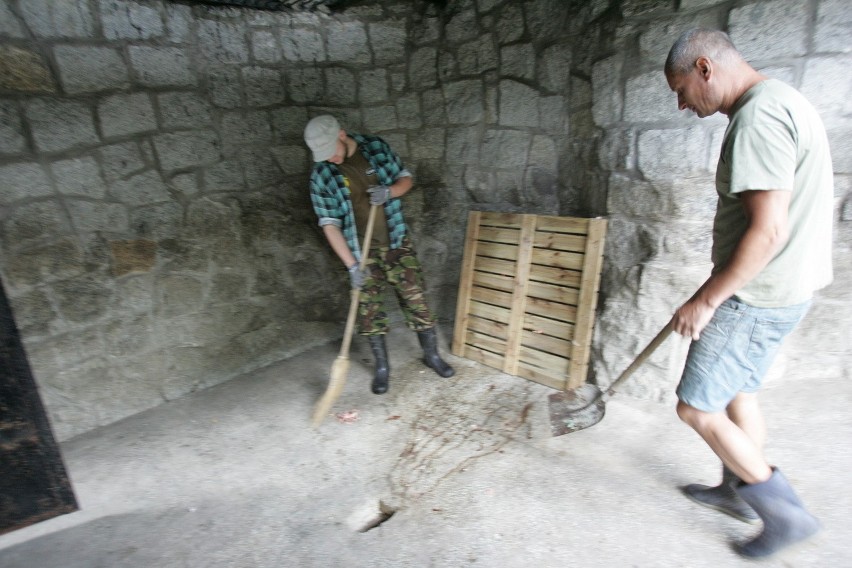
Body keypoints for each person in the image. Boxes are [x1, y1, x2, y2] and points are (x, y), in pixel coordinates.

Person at [664, 29, 833, 558]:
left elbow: (767, 231)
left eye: (681, 88)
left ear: (705, 69)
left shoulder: (757, 118)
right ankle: (735, 491)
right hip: (787, 288)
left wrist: (708, 299)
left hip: (756, 297)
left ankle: (785, 516)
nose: (681, 103)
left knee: (695, 407)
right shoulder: (784, 98)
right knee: (740, 391)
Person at [303, 114, 454, 395]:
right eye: (322, 156)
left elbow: (406, 178)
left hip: (396, 242)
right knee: (369, 313)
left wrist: (390, 191)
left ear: (342, 134)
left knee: (416, 299)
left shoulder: (375, 148)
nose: (330, 159)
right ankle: (383, 368)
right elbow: (329, 224)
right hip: (361, 254)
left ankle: (432, 355)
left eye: (331, 152)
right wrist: (351, 266)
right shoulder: (321, 175)